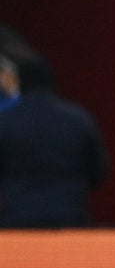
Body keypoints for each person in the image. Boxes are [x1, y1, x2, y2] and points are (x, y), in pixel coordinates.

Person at [0, 48, 108, 227]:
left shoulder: (5, 122)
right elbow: (98, 173)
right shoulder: (79, 119)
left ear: (20, 82)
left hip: (17, 221)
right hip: (69, 218)